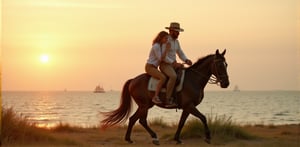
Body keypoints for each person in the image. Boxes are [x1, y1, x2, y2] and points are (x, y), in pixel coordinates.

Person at [160, 22, 193, 107]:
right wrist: (173, 63)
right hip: (165, 64)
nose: (178, 34)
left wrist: (186, 59)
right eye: (176, 32)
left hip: (173, 64)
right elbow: (164, 56)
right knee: (173, 76)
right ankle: (167, 99)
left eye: (178, 32)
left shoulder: (176, 42)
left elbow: (180, 52)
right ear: (171, 31)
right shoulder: (166, 40)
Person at [145, 31, 171, 104]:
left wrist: (173, 63)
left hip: (154, 67)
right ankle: (155, 97)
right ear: (161, 38)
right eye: (166, 38)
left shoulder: (161, 45)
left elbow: (165, 58)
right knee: (163, 77)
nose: (167, 40)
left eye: (167, 38)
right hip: (149, 67)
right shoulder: (156, 46)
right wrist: (167, 49)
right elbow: (161, 58)